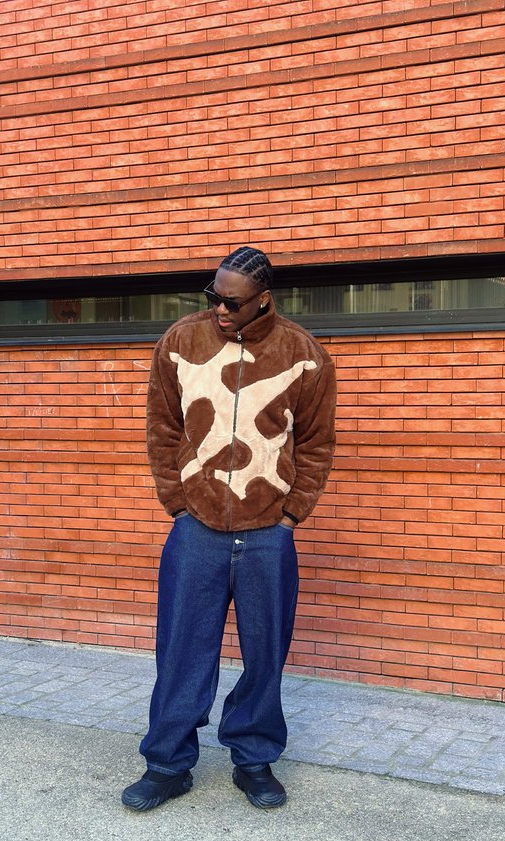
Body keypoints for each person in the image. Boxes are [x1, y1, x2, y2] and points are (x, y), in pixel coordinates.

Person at [122, 246, 336, 812]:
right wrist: (176, 501)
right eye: (212, 296)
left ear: (263, 299)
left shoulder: (304, 354)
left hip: (269, 532)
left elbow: (315, 444)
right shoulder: (179, 343)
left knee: (265, 652)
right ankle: (167, 764)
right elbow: (162, 428)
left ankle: (255, 759)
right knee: (181, 650)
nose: (219, 308)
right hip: (196, 529)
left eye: (231, 301)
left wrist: (293, 515)